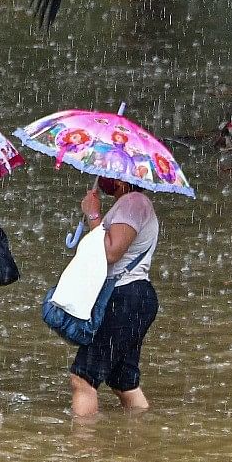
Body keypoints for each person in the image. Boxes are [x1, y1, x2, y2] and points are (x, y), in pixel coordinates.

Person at [69, 175, 159, 417]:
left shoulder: (133, 203)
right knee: (123, 381)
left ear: (120, 179)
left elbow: (110, 253)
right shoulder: (132, 203)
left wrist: (93, 214)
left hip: (125, 298)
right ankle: (139, 434)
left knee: (83, 378)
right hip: (135, 298)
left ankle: (82, 448)